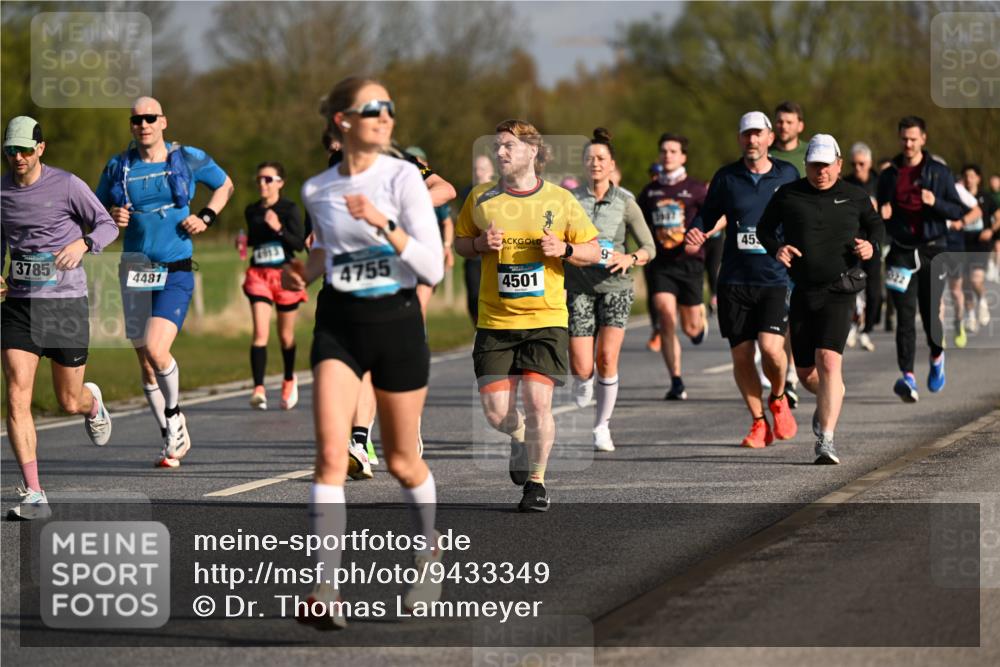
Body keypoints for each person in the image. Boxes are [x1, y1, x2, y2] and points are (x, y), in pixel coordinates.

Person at [286, 77, 445, 627]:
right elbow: (328, 253)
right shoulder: (316, 190)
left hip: (397, 322)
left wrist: (386, 225)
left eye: (390, 109)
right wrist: (299, 273)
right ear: (342, 121)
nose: (385, 117)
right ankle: (324, 589)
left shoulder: (403, 177)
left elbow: (432, 266)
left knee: (401, 460)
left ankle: (428, 557)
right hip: (338, 326)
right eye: (372, 109)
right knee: (331, 456)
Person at [454, 119, 600, 512]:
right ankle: (516, 436)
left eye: (507, 146)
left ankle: (536, 482)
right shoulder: (481, 198)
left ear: (531, 152)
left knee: (539, 404)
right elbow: (460, 244)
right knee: (496, 413)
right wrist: (480, 243)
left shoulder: (560, 200)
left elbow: (594, 250)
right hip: (496, 322)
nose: (499, 153)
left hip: (545, 319)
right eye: (497, 147)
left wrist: (565, 251)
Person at [96, 97, 234, 468]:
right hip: (135, 268)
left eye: (150, 118)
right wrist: (112, 215)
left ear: (163, 122)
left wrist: (206, 215)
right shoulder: (118, 167)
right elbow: (95, 215)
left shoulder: (186, 157)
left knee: (158, 350)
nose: (143, 124)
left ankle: (174, 415)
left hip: (175, 268)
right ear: (132, 125)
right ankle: (170, 438)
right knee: (144, 360)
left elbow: (225, 185)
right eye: (137, 119)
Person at [2, 116, 118, 519]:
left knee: (68, 400)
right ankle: (34, 493)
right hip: (19, 305)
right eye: (10, 150)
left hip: (65, 303)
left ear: (41, 148)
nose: (17, 157)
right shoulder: (1, 191)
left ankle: (92, 405)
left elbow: (106, 224)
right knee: (17, 395)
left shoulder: (67, 184)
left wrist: (83, 244)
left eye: (24, 149)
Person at [759, 134, 883, 464]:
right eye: (815, 166)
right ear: (807, 165)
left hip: (840, 289)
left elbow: (877, 227)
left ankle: (825, 440)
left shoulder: (855, 196)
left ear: (838, 165)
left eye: (827, 166)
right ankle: (832, 394)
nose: (821, 172)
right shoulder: (789, 195)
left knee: (829, 360)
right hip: (803, 291)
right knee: (806, 374)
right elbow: (764, 229)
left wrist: (871, 247)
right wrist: (777, 248)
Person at [684, 111, 800, 448]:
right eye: (745, 134)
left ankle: (777, 397)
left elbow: (800, 214)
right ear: (740, 139)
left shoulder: (787, 174)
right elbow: (709, 213)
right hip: (734, 279)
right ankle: (758, 422)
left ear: (769, 138)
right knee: (741, 356)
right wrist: (697, 230)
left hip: (775, 277)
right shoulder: (726, 177)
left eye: (757, 134)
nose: (751, 140)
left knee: (772, 350)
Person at [567, 128, 655, 451]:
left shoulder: (626, 203)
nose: (595, 163)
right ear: (584, 163)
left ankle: (601, 426)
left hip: (616, 286)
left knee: (606, 357)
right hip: (578, 286)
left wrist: (630, 257)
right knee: (581, 365)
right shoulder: (571, 200)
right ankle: (583, 380)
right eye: (590, 158)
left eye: (601, 158)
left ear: (611, 164)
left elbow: (649, 246)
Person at [876, 116, 970, 403]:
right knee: (904, 317)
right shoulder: (889, 174)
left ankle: (937, 355)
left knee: (930, 315)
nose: (908, 144)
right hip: (901, 252)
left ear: (923, 139)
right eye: (904, 138)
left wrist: (935, 203)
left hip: (932, 250)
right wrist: (883, 213)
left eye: (913, 139)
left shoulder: (939, 172)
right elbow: (880, 210)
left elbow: (957, 211)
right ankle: (907, 377)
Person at [636, 133, 708, 400]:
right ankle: (676, 380)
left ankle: (698, 324)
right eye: (664, 151)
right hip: (661, 265)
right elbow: (638, 221)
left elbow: (713, 218)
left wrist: (701, 236)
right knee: (666, 317)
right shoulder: (650, 191)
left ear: (683, 156)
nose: (667, 155)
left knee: (690, 329)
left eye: (673, 151)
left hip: (689, 263)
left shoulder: (697, 189)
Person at [243, 161, 307, 410]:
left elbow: (299, 243)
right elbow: (255, 240)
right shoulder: (251, 210)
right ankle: (258, 388)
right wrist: (244, 242)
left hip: (285, 276)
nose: (262, 183)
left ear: (280, 182)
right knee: (260, 332)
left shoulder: (289, 209)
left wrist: (279, 229)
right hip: (258, 275)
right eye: (259, 179)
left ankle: (289, 378)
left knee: (285, 336)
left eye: (268, 179)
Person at [843, 141, 882, 351]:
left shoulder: (880, 182)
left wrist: (882, 210)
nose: (857, 168)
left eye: (861, 164)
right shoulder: (846, 183)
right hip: (851, 242)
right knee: (850, 288)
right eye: (854, 164)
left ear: (869, 162)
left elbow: (889, 208)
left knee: (874, 291)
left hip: (873, 242)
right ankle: (851, 325)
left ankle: (866, 330)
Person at [956, 165, 998, 334]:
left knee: (976, 279)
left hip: (981, 244)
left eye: (972, 176)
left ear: (978, 178)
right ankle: (971, 315)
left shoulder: (985, 197)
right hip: (962, 244)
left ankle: (982, 301)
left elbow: (999, 217)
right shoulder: (958, 197)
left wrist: (991, 230)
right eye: (966, 176)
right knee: (965, 282)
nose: (969, 179)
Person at [459, 155, 496, 326]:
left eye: (482, 169)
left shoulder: (500, 191)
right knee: (473, 297)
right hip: (474, 254)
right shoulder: (467, 193)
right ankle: (478, 329)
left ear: (491, 171)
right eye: (475, 169)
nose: (478, 172)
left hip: (495, 255)